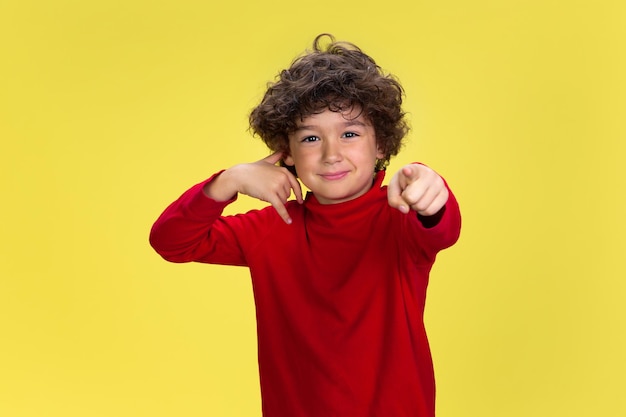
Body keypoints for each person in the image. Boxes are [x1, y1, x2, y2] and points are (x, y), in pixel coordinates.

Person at [150, 33, 462, 417]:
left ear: (380, 144)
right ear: (288, 153)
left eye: (349, 134)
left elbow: (441, 228)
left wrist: (430, 188)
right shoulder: (271, 226)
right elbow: (171, 242)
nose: (332, 154)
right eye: (311, 138)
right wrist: (226, 181)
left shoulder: (398, 215)